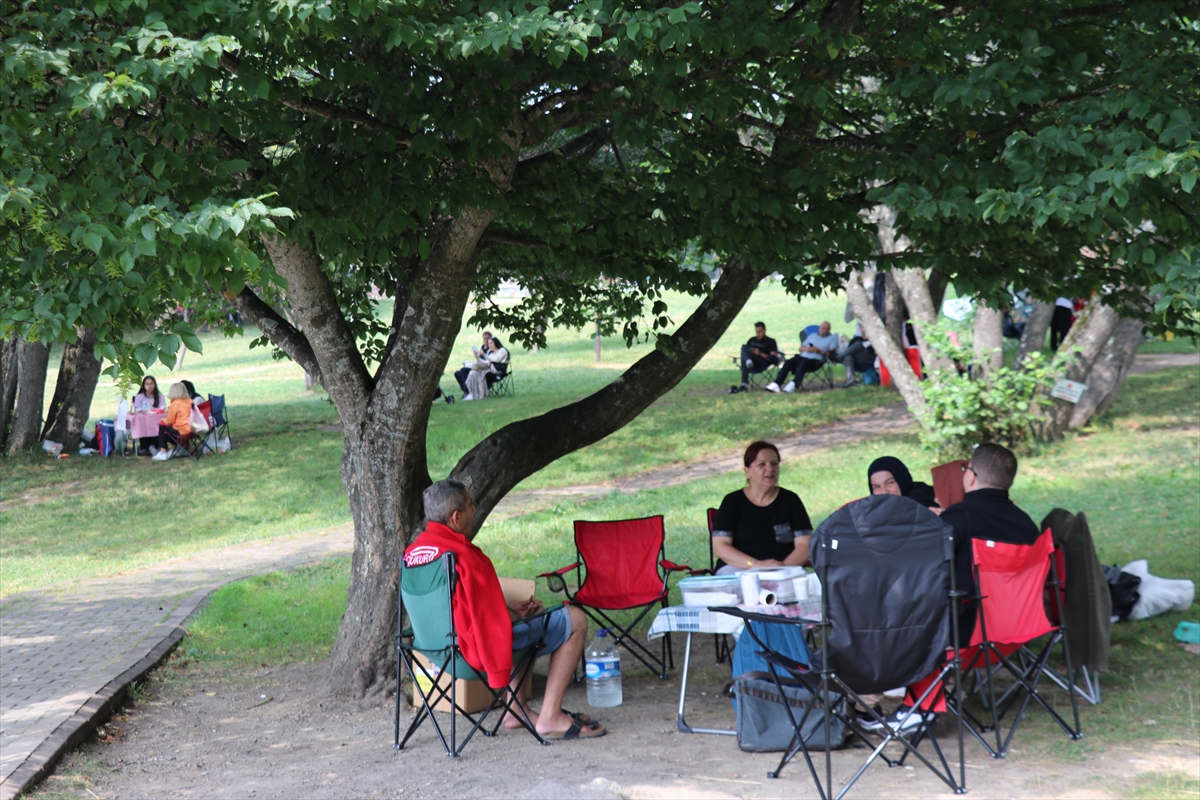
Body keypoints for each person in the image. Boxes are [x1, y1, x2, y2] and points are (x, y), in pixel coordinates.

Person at [404, 481, 604, 740]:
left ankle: (516, 710)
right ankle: (551, 717)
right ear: (456, 517)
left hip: (435, 657)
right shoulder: (465, 556)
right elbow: (492, 623)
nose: (475, 510)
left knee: (517, 625)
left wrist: (509, 612)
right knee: (574, 618)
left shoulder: (411, 555)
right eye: (470, 505)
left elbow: (460, 608)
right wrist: (517, 616)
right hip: (471, 659)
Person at [866, 443, 1039, 731]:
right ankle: (920, 702)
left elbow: (922, 566)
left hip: (969, 633)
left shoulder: (959, 519)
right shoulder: (1028, 527)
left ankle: (918, 706)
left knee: (910, 610)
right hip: (1021, 629)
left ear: (970, 476)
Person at [711, 441, 813, 573]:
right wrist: (756, 564)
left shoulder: (790, 501)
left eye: (774, 464)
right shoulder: (732, 502)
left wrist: (783, 570)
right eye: (762, 464)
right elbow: (720, 546)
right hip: (739, 568)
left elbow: (805, 544)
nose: (770, 469)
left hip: (784, 569)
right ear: (748, 472)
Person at [767, 321, 839, 393]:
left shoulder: (833, 338)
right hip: (803, 356)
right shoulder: (812, 335)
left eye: (828, 329)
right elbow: (801, 349)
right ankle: (776, 383)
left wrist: (819, 351)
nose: (826, 330)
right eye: (824, 328)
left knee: (804, 363)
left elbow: (831, 354)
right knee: (788, 363)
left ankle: (794, 384)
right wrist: (808, 349)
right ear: (819, 328)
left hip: (816, 361)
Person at [867, 455, 940, 513]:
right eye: (876, 487)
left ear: (901, 480)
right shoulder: (871, 512)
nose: (884, 492)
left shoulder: (925, 501)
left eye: (890, 483)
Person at [730, 322, 782, 393]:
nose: (758, 334)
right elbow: (745, 351)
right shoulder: (752, 340)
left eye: (760, 332)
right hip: (750, 362)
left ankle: (744, 384)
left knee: (744, 359)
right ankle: (748, 361)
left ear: (765, 330)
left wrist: (759, 353)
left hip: (761, 362)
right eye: (757, 332)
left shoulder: (771, 342)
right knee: (744, 347)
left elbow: (773, 359)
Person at [151, 382, 193, 460]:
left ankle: (163, 451)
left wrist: (162, 420)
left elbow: (169, 421)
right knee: (172, 427)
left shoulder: (175, 404)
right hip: (192, 429)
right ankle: (174, 449)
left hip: (182, 430)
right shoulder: (190, 401)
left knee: (163, 426)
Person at [463, 336, 509, 401]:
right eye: (488, 343)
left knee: (480, 373)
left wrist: (484, 355)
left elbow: (495, 360)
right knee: (472, 372)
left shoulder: (502, 351)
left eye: (491, 343)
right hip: (489, 370)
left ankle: (479, 394)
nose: (489, 345)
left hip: (498, 373)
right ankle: (472, 394)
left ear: (496, 343)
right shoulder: (491, 353)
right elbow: (486, 362)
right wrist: (477, 357)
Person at [131, 375, 168, 455]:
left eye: (151, 384)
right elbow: (137, 409)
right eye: (147, 384)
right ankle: (146, 447)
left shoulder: (160, 396)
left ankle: (154, 446)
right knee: (143, 425)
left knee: (157, 426)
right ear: (144, 386)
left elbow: (163, 408)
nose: (149, 386)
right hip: (144, 420)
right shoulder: (139, 397)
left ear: (155, 385)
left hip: (157, 421)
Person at [455, 331, 494, 396]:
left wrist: (482, 356)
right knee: (457, 373)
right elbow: (479, 359)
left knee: (463, 370)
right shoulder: (482, 347)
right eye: (484, 338)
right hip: (478, 366)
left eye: (488, 338)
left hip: (484, 369)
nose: (486, 340)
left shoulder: (491, 349)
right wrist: (476, 356)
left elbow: (489, 362)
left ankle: (468, 391)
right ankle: (465, 391)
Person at [836, 323, 876, 388]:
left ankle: (838, 358)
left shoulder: (874, 340)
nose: (864, 329)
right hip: (856, 361)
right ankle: (851, 381)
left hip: (868, 359)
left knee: (859, 344)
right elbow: (849, 351)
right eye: (862, 327)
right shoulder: (856, 339)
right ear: (860, 329)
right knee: (848, 357)